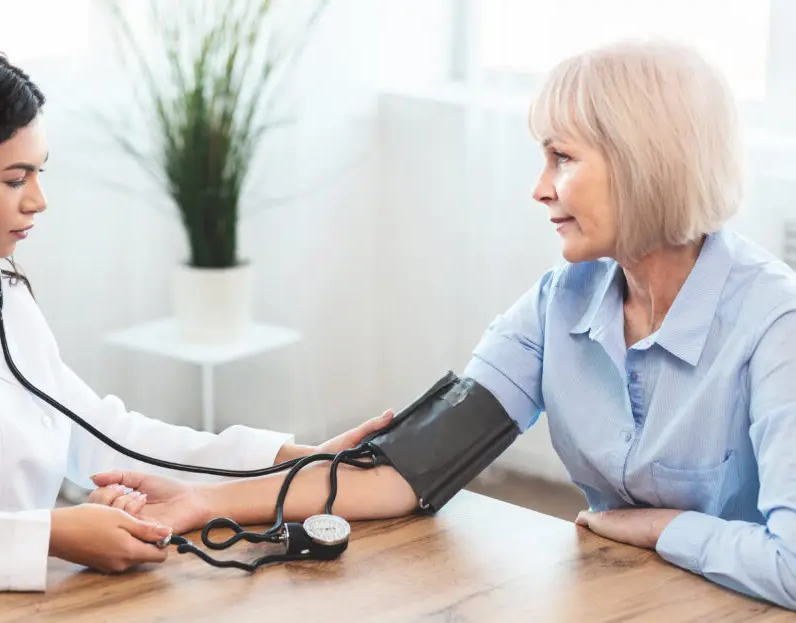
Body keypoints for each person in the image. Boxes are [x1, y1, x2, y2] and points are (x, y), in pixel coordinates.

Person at [95, 40, 796, 610]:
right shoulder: (563, 301)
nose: (539, 188)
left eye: (562, 157)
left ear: (645, 163)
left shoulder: (775, 323)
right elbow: (404, 471)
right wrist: (202, 500)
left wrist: (666, 528)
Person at [0, 42, 392, 595]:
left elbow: (102, 434)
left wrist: (292, 457)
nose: (39, 200)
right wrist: (49, 535)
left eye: (39, 172)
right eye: (15, 179)